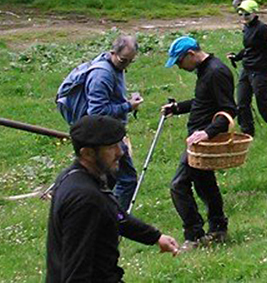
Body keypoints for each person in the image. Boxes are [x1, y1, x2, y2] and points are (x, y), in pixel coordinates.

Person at [46, 115, 179, 282]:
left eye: (118, 144)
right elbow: (76, 272)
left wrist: (155, 237)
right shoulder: (85, 200)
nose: (120, 152)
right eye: (110, 147)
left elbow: (116, 216)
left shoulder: (79, 177)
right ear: (87, 153)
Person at [162, 36, 237, 249]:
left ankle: (194, 236)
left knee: (178, 185)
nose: (178, 66)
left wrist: (207, 133)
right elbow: (203, 102)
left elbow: (230, 109)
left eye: (179, 61)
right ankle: (218, 229)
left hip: (201, 141)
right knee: (205, 184)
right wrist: (177, 108)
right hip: (198, 139)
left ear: (191, 55)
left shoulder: (216, 72)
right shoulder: (205, 71)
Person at [61, 35, 144, 211]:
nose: (126, 65)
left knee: (108, 178)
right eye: (123, 60)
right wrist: (128, 106)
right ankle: (116, 222)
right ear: (113, 52)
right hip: (102, 136)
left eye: (130, 61)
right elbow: (96, 113)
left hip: (110, 132)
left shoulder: (115, 67)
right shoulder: (102, 75)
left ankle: (101, 213)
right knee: (127, 180)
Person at [228, 0, 267, 136]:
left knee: (262, 102)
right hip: (247, 69)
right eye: (241, 14)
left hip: (260, 71)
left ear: (255, 13)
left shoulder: (262, 29)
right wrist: (236, 57)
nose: (243, 17)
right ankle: (247, 132)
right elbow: (249, 48)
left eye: (247, 14)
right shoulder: (246, 28)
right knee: (242, 102)